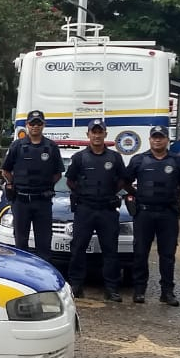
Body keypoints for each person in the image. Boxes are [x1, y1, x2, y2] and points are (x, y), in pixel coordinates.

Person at [124, 125, 180, 305]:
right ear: (150, 139)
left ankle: (167, 292)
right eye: (154, 137)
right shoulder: (139, 160)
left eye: (161, 137)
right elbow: (125, 182)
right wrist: (137, 195)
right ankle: (139, 290)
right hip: (144, 212)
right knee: (140, 253)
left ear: (167, 139)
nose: (157, 140)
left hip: (168, 213)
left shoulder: (176, 161)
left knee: (167, 254)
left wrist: (176, 197)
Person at [65, 119, 125, 302]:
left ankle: (111, 288)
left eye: (100, 132)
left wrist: (109, 193)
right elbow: (70, 180)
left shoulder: (115, 158)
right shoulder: (79, 158)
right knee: (78, 248)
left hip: (107, 209)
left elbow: (123, 179)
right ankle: (76, 284)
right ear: (88, 134)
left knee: (110, 250)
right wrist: (83, 194)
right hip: (85, 209)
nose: (97, 135)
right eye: (94, 132)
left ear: (106, 134)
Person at [0, 109, 64, 261]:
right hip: (21, 201)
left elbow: (58, 174)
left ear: (44, 125)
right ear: (27, 125)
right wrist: (13, 184)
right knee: (21, 243)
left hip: (42, 201)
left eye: (39, 123)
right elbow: (5, 170)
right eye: (32, 123)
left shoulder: (51, 147)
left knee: (44, 243)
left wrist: (44, 186)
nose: (35, 126)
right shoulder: (17, 146)